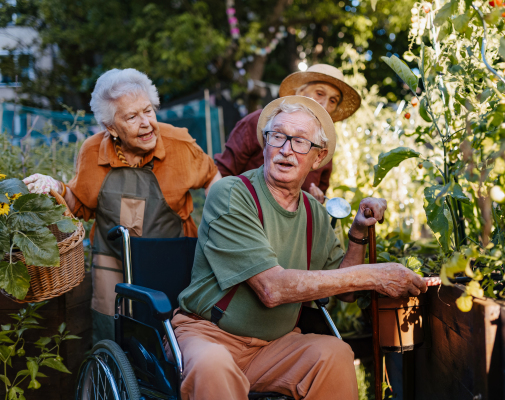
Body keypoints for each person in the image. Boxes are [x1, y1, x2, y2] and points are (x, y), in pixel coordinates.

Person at [174, 96, 440, 399]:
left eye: (300, 141)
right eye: (277, 137)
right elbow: (272, 289)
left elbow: (347, 289)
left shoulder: (314, 212)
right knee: (213, 365)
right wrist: (375, 275)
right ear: (265, 145)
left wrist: (357, 232)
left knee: (335, 354)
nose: (285, 149)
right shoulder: (232, 194)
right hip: (211, 337)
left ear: (318, 157)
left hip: (274, 346)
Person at [23, 68, 221, 343]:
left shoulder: (179, 144)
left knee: (171, 332)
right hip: (112, 258)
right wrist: (57, 187)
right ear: (111, 128)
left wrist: (215, 229)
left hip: (170, 254)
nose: (146, 123)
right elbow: (80, 205)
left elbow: (214, 179)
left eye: (148, 110)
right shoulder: (92, 152)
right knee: (111, 331)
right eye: (132, 116)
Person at [214, 64, 361, 203]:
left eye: (333, 100)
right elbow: (220, 177)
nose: (324, 104)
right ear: (300, 92)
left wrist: (316, 202)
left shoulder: (323, 149)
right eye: (319, 93)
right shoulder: (261, 123)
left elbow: (317, 200)